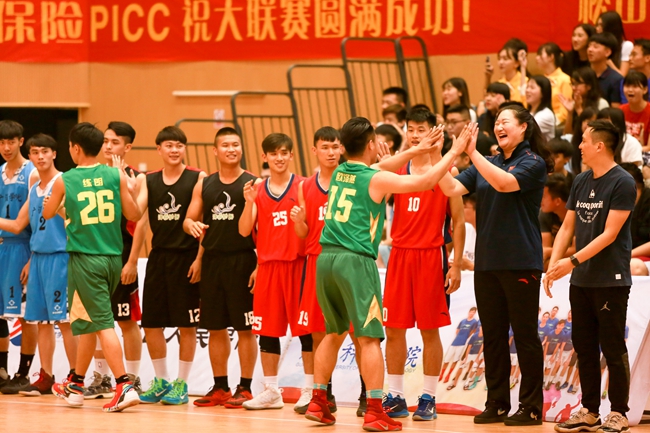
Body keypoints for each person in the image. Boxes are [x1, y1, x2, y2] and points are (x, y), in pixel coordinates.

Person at [303, 117, 470, 431]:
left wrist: (416, 150)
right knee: (369, 339)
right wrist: (454, 150)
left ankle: (318, 400)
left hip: (325, 260)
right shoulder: (375, 179)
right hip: (355, 261)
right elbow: (425, 182)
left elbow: (384, 165)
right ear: (370, 145)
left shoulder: (339, 172)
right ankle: (375, 410)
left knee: (333, 333)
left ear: (343, 147)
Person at [436, 105, 553, 425]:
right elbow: (450, 188)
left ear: (523, 128)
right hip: (487, 263)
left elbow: (503, 184)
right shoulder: (488, 162)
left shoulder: (532, 162)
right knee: (493, 336)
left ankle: (531, 407)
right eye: (497, 122)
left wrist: (472, 153)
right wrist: (440, 153)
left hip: (520, 262)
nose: (499, 126)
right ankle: (497, 402)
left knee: (525, 335)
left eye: (506, 122)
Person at [44, 122, 142, 412]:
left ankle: (124, 385)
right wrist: (130, 189)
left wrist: (58, 204)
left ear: (75, 148)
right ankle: (75, 384)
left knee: (101, 323)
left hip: (85, 260)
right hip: (112, 259)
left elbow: (48, 212)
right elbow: (135, 214)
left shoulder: (65, 179)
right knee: (85, 321)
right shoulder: (115, 174)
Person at [545, 120, 636, 433]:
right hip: (581, 279)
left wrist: (571, 261)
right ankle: (590, 411)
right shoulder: (581, 180)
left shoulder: (623, 182)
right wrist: (554, 264)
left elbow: (610, 234)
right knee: (583, 347)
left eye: (584, 140)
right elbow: (567, 227)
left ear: (599, 145)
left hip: (611, 279)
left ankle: (619, 412)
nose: (579, 146)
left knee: (612, 347)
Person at [382, 109, 465, 422]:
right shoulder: (397, 168)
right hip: (399, 256)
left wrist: (456, 264)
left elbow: (459, 221)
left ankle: (428, 397)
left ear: (434, 132)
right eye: (411, 129)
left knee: (430, 331)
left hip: (431, 256)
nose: (415, 135)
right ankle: (395, 396)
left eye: (421, 129)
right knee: (393, 330)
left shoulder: (447, 171)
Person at [182, 127, 258, 408]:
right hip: (213, 262)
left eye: (235, 144)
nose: (231, 149)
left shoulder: (253, 183)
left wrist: (260, 264)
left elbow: (263, 230)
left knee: (245, 328)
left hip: (243, 260)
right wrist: (191, 227)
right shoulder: (205, 184)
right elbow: (189, 219)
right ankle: (220, 386)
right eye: (225, 145)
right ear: (215, 151)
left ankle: (245, 387)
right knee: (215, 328)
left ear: (241, 148)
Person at [238, 133, 312, 410]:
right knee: (267, 332)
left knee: (305, 331)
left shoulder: (303, 186)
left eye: (284, 152)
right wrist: (248, 202)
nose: (279, 158)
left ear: (291, 155)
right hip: (268, 267)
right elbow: (244, 230)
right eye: (274, 153)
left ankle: (310, 389)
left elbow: (309, 230)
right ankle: (271, 391)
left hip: (297, 265)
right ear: (264, 157)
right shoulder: (257, 190)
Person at [0, 134, 78, 396]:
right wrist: (32, 259)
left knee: (64, 321)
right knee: (42, 322)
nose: (40, 156)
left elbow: (77, 223)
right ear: (30, 156)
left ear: (54, 154)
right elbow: (17, 225)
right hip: (38, 259)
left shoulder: (65, 182)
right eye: (35, 152)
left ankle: (75, 377)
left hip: (60, 257)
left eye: (45, 151)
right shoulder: (34, 189)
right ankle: (46, 375)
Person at [135, 126, 206, 405]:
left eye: (179, 145)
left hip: (187, 258)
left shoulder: (197, 177)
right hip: (158, 258)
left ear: (184, 148)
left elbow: (204, 223)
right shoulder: (148, 179)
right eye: (168, 145)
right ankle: (162, 381)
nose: (174, 150)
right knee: (151, 324)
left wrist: (199, 259)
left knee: (187, 326)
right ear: (159, 149)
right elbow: (135, 213)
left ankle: (182, 384)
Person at [83, 122, 146, 399]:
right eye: (106, 141)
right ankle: (101, 377)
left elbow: (140, 222)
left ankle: (132, 378)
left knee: (126, 321)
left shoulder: (138, 178)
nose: (108, 146)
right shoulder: (93, 175)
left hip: (122, 257)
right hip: (95, 258)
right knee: (98, 320)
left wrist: (132, 262)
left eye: (115, 142)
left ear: (127, 147)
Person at [289, 127, 342, 413]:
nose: (331, 152)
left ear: (342, 148)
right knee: (318, 332)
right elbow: (304, 232)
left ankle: (365, 395)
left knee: (355, 333)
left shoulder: (350, 180)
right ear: (315, 150)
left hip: (344, 260)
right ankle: (324, 393)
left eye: (335, 147)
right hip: (316, 261)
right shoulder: (305, 186)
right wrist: (299, 221)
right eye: (325, 147)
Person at [0, 120, 39, 393]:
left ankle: (23, 373)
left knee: (27, 316)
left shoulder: (33, 173)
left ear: (21, 142)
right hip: (2, 246)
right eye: (2, 142)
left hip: (23, 247)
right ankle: (2, 370)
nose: (6, 147)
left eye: (11, 141)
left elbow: (34, 221)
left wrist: (32, 257)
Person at [619, 163, 650, 276]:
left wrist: (628, 255)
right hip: (623, 256)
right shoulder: (615, 205)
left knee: (635, 267)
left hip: (641, 260)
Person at [560, 67, 608, 136]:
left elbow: (596, 133)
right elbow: (567, 134)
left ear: (589, 86)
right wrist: (570, 113)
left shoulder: (601, 104)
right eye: (572, 84)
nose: (573, 88)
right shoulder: (574, 103)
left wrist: (579, 110)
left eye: (577, 84)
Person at [540, 174, 574, 270]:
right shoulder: (545, 214)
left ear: (558, 201)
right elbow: (544, 250)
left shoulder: (577, 215)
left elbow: (576, 249)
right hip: (556, 260)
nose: (541, 200)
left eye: (544, 196)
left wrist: (549, 252)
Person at [537, 43, 573, 126]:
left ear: (551, 57)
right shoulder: (540, 79)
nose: (537, 58)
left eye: (540, 55)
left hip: (556, 124)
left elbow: (564, 112)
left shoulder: (565, 79)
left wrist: (548, 122)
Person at [588, 33, 623, 108]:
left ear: (607, 52)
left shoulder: (616, 79)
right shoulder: (583, 75)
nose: (590, 49)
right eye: (589, 46)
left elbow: (615, 109)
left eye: (595, 47)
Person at [596, 10, 633, 76]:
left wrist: (609, 63)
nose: (597, 29)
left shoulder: (626, 46)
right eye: (597, 25)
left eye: (601, 25)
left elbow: (622, 76)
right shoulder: (595, 46)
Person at [620, 70, 650, 149]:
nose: (630, 90)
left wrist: (631, 152)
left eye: (635, 86)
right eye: (627, 86)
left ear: (645, 90)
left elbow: (649, 147)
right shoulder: (620, 110)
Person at [525, 75, 556, 141]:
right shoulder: (528, 112)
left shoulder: (546, 114)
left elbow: (526, 132)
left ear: (543, 92)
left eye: (532, 87)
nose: (527, 90)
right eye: (527, 87)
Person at [621, 39, 650, 104]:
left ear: (647, 58)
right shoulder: (626, 81)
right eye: (630, 55)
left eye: (634, 55)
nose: (630, 58)